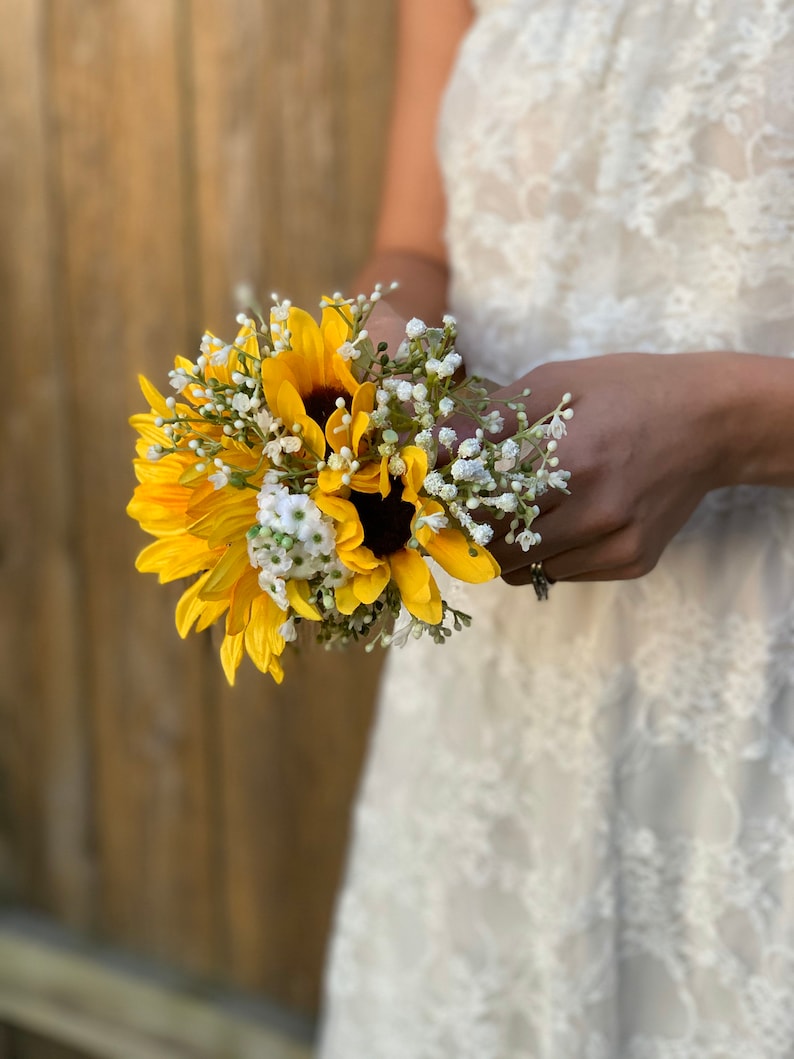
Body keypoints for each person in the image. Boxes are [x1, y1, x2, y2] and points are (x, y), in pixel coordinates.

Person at [319, 1, 794, 1055]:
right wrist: (380, 350)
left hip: (761, 733)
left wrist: (726, 426)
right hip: (491, 721)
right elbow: (412, 243)